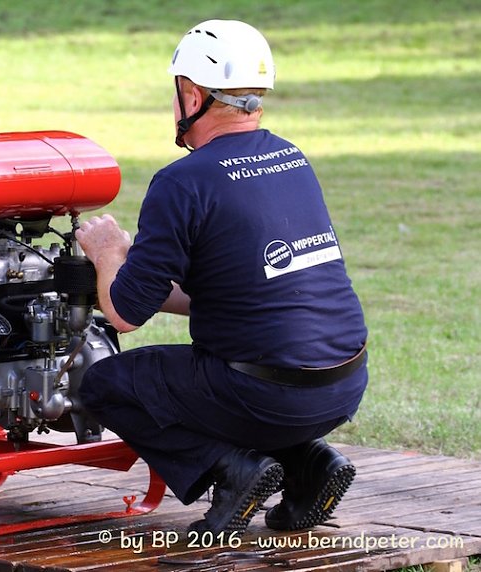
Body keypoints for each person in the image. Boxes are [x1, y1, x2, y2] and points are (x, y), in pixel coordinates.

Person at [75, 19, 368, 535]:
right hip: (343, 386)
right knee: (236, 379)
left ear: (192, 95)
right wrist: (138, 273)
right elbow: (236, 289)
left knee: (104, 383)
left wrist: (107, 254)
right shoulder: (291, 157)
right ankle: (310, 464)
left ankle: (232, 471)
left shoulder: (182, 182)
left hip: (265, 393)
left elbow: (122, 315)